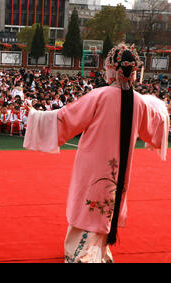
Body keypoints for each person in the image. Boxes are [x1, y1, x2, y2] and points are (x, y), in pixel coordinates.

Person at [23, 43, 170, 263]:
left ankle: (82, 254)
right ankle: (99, 250)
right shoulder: (139, 101)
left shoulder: (99, 96)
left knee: (88, 202)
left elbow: (66, 118)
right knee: (107, 202)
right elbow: (157, 121)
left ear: (111, 68)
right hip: (119, 169)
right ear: (134, 71)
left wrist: (36, 115)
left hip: (93, 164)